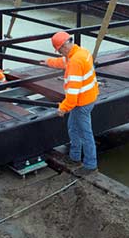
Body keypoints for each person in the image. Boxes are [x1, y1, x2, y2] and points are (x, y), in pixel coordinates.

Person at [40, 31, 99, 172]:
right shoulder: (80, 52)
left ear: (63, 48)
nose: (60, 54)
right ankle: (75, 157)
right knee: (73, 127)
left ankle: (90, 165)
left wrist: (63, 108)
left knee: (85, 133)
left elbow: (73, 93)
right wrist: (48, 62)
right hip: (88, 97)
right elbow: (63, 61)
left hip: (82, 103)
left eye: (59, 51)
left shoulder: (75, 62)